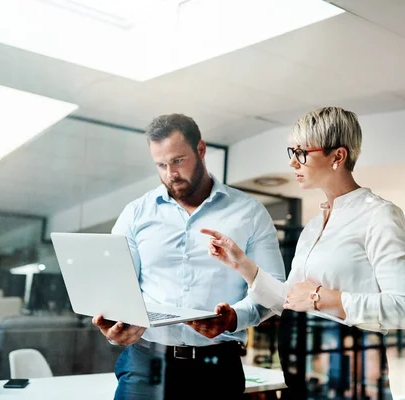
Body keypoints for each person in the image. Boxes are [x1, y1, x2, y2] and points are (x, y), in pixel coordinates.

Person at [201, 106, 405, 397]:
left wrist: (323, 298)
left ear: (338, 157)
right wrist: (242, 264)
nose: (293, 163)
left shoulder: (379, 215)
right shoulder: (314, 225)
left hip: (348, 377)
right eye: (291, 152)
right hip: (302, 375)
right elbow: (290, 300)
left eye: (302, 153)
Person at [91, 113, 286, 400]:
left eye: (178, 160)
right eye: (161, 164)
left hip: (217, 367)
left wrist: (233, 319)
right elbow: (118, 288)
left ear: (201, 150)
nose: (170, 173)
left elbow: (274, 289)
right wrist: (114, 327)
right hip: (145, 363)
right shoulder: (135, 213)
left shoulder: (249, 212)